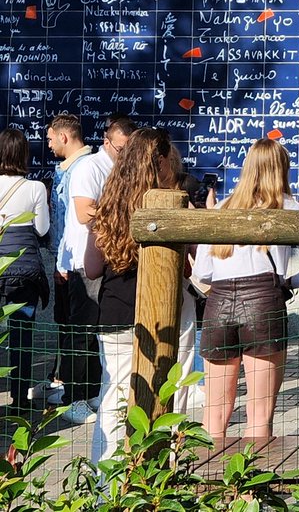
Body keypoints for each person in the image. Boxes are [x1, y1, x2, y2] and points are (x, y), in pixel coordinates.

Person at [194, 139, 299, 441]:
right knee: (259, 414)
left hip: (218, 302)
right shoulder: (290, 208)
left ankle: (207, 483)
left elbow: (201, 272)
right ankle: (251, 488)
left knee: (213, 415)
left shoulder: (221, 208)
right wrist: (289, 283)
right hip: (263, 301)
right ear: (282, 170)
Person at [84, 127, 195, 462]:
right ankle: (166, 472)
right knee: (175, 390)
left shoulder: (108, 207)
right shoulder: (174, 205)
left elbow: (91, 268)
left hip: (117, 310)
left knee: (115, 396)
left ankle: (106, 482)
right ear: (159, 161)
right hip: (170, 311)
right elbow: (188, 267)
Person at [62, 114, 135, 426]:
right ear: (107, 142)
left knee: (95, 335)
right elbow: (83, 212)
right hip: (86, 259)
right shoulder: (91, 167)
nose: (125, 155)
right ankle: (73, 399)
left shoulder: (121, 168)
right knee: (82, 333)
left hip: (108, 258)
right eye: (121, 149)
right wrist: (121, 218)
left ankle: (92, 392)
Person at [0, 128, 50, 415]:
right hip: (24, 270)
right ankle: (19, 401)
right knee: (22, 335)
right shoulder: (34, 189)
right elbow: (42, 229)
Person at [46, 114, 93, 412]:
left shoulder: (81, 169)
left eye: (50, 138)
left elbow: (69, 223)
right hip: (65, 258)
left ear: (64, 137)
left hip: (75, 260)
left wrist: (62, 260)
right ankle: (66, 386)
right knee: (65, 324)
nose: (48, 144)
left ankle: (77, 395)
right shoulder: (67, 168)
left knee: (77, 329)